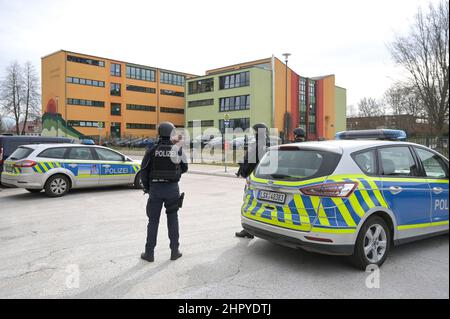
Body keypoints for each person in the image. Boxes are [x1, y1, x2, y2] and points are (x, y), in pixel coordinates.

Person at [140, 122, 188, 262]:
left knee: (153, 221)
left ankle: (149, 254)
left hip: (155, 188)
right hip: (172, 189)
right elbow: (185, 167)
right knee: (172, 218)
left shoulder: (152, 149)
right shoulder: (177, 149)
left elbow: (144, 171)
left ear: (159, 133)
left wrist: (148, 188)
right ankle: (174, 251)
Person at [235, 123, 269, 239]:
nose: (253, 134)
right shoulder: (264, 144)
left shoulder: (259, 145)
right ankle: (252, 229)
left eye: (255, 131)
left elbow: (251, 162)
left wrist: (243, 169)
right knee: (255, 204)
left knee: (249, 203)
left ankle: (249, 230)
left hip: (254, 179)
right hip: (259, 178)